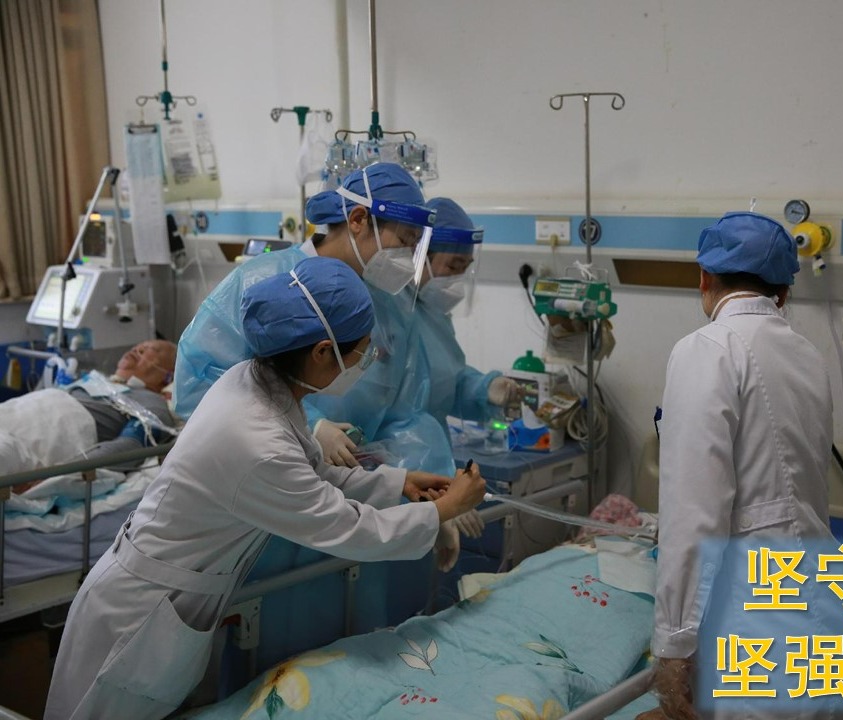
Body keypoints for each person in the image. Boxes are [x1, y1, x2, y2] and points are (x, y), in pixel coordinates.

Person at [44, 257, 487, 720]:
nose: (368, 360)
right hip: (136, 619)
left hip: (166, 602)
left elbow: (314, 475)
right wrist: (445, 510)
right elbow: (349, 529)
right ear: (322, 352)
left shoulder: (259, 384)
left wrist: (399, 481)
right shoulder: (257, 439)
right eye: (362, 351)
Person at [641, 213, 836, 719]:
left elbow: (693, 513)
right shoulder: (808, 355)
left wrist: (674, 645)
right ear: (783, 294)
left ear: (704, 279)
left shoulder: (707, 349)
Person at [173, 162, 434, 420]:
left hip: (361, 448)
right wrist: (308, 425)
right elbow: (199, 380)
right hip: (266, 444)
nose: (408, 256)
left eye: (414, 245)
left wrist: (389, 448)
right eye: (404, 240)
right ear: (357, 219)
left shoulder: (390, 303)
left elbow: (407, 407)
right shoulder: (265, 280)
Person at [415, 198, 522, 441]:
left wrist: (485, 389)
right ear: (419, 257)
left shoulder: (434, 316)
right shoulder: (389, 316)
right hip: (389, 453)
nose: (457, 279)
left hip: (429, 449)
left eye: (465, 268)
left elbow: (445, 386)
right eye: (453, 267)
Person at [0, 340, 178, 484]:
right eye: (138, 346)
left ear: (168, 376)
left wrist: (56, 474)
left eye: (151, 350)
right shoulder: (94, 382)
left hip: (41, 435)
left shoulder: (151, 402)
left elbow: (130, 446)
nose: (137, 349)